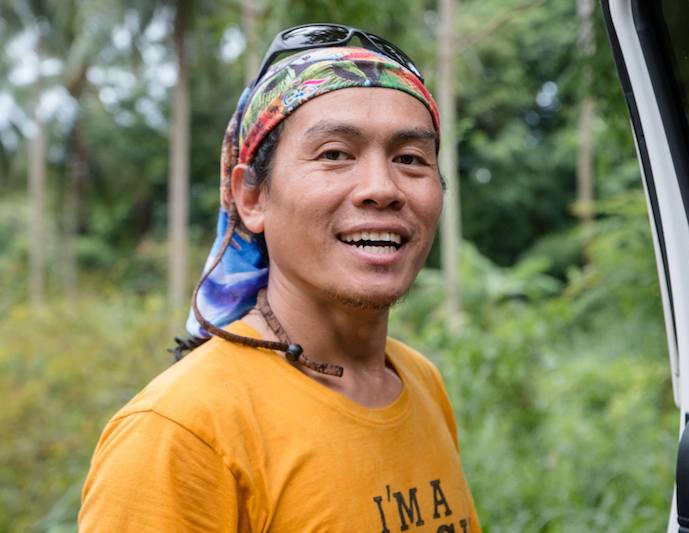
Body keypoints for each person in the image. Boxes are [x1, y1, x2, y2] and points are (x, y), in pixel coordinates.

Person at [79, 24, 480, 532]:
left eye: (410, 159)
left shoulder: (420, 381)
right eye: (335, 154)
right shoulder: (182, 432)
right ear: (252, 197)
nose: (382, 188)